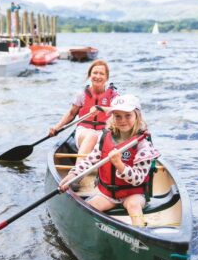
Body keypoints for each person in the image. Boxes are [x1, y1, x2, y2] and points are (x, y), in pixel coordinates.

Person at [58, 95, 160, 227]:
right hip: (108, 195)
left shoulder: (143, 145)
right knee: (86, 209)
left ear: (137, 116)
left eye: (128, 115)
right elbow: (90, 160)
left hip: (133, 193)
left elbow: (138, 178)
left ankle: (141, 234)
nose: (122, 120)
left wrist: (120, 165)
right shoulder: (105, 137)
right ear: (112, 117)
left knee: (133, 205)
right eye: (118, 116)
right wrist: (73, 174)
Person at [49, 59, 118, 156]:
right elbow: (71, 114)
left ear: (107, 78)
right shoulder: (81, 95)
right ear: (90, 75)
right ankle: (79, 168)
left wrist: (100, 108)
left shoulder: (114, 96)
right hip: (84, 131)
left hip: (105, 131)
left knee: (104, 139)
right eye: (95, 73)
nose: (98, 76)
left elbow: (120, 112)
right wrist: (57, 127)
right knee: (92, 136)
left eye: (101, 74)